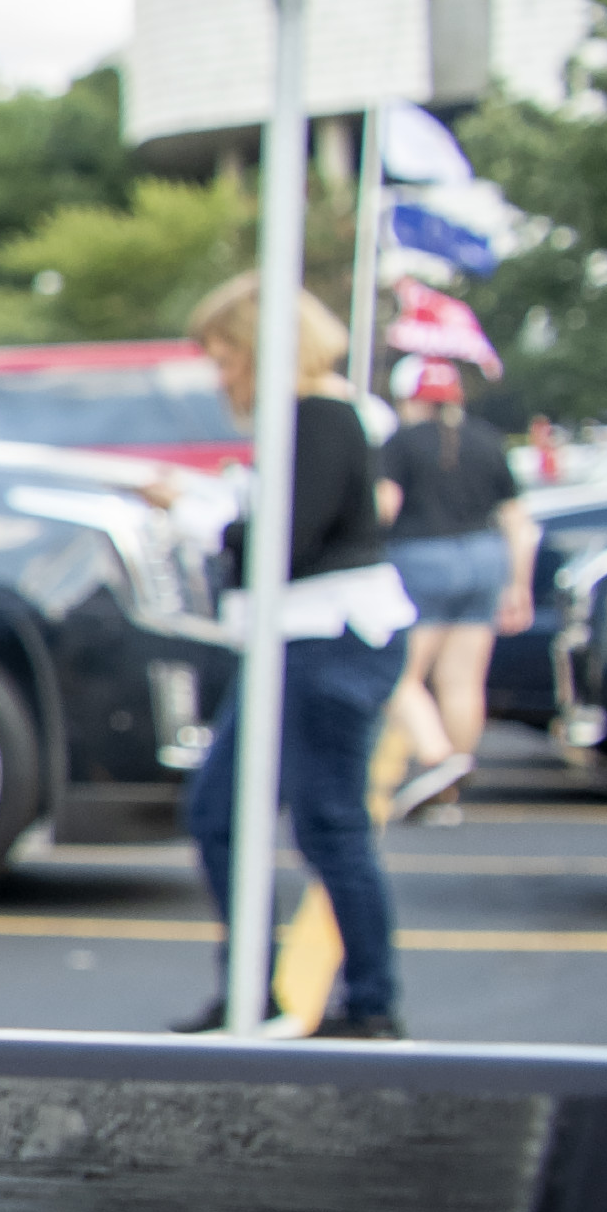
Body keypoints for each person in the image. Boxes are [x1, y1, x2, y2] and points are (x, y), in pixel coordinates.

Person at [180, 272, 414, 1040]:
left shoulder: (316, 417)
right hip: (311, 636)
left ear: (260, 347)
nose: (222, 375)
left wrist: (215, 525)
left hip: (324, 637)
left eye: (227, 355)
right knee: (244, 814)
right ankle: (272, 992)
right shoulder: (321, 415)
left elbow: (283, 537)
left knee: (320, 821)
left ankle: (366, 1004)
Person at [381, 363, 529, 823]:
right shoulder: (487, 439)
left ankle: (437, 758)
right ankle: (448, 795)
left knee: (399, 674)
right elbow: (518, 522)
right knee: (462, 681)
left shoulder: (401, 443)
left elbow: (385, 506)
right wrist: (518, 586)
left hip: (422, 558)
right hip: (485, 557)